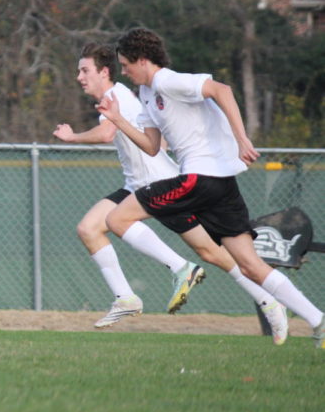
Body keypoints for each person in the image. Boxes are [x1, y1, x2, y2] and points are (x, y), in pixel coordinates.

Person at [97, 27, 324, 349]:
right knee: (251, 266)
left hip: (199, 180)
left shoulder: (166, 80)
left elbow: (222, 90)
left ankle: (181, 268)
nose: (124, 71)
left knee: (116, 219)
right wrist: (118, 120)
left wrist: (243, 139)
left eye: (125, 64)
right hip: (220, 187)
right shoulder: (147, 94)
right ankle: (318, 320)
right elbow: (151, 146)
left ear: (143, 60)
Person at [54, 44, 289, 343]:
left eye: (84, 70)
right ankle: (126, 298)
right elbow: (155, 140)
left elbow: (106, 134)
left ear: (104, 72)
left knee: (212, 253)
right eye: (78, 71)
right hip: (136, 185)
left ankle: (267, 301)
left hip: (161, 183)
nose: (79, 77)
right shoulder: (118, 98)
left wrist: (72, 136)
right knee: (89, 229)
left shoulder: (117, 96)